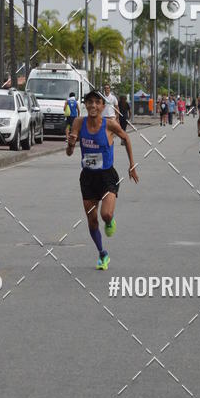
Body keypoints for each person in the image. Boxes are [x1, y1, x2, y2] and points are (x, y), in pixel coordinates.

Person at [66, 89, 139, 270]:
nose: (93, 105)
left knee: (105, 214)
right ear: (85, 105)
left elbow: (126, 137)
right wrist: (70, 143)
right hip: (88, 178)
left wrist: (132, 165)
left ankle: (109, 220)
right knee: (92, 221)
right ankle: (102, 254)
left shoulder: (109, 124)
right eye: (89, 102)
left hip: (107, 176)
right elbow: (69, 153)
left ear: (102, 106)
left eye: (97, 102)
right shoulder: (78, 123)